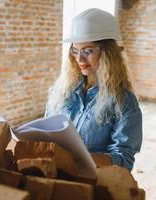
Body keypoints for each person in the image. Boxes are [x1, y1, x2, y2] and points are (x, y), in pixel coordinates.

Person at [45, 8, 142, 171]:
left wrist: (76, 161)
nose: (79, 59)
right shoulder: (61, 91)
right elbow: (46, 129)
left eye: (88, 51)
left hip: (94, 181)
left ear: (108, 53)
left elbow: (123, 160)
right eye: (75, 51)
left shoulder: (124, 101)